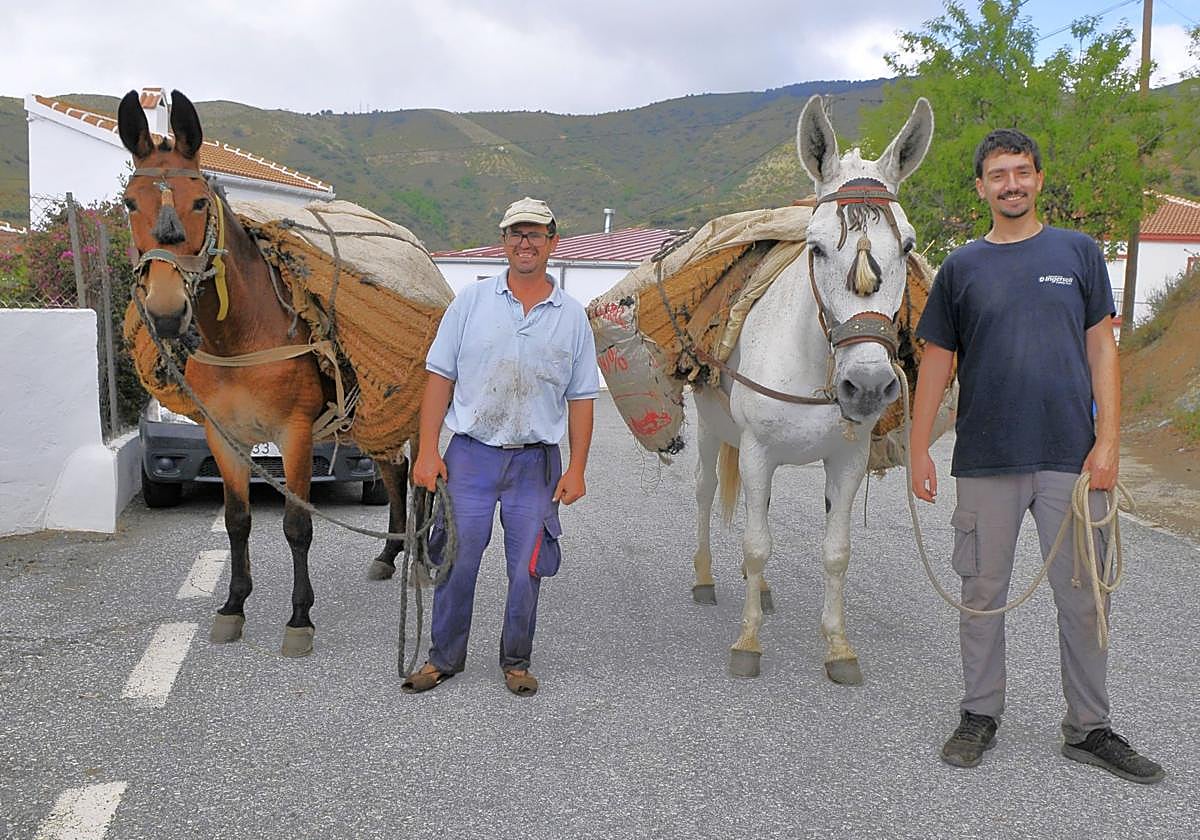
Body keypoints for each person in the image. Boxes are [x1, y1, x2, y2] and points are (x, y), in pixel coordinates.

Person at [908, 129, 1165, 784]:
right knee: (981, 594)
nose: (1012, 183)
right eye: (999, 174)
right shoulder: (961, 268)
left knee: (1084, 598)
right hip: (986, 457)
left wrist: (1108, 443)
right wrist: (917, 448)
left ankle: (1089, 727)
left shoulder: (1077, 253)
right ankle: (978, 714)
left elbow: (1102, 350)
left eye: (1022, 171)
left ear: (1039, 179)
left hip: (1069, 459)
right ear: (981, 188)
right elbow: (936, 362)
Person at [402, 197, 599, 697]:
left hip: (535, 463)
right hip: (471, 454)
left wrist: (576, 469)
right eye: (515, 234)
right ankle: (443, 658)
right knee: (456, 559)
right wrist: (428, 451)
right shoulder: (471, 302)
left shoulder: (572, 317)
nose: (525, 242)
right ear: (503, 243)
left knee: (526, 568)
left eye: (534, 234)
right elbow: (438, 376)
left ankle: (516, 660)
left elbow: (580, 400)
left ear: (553, 242)